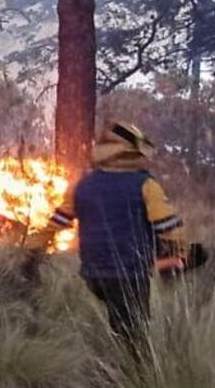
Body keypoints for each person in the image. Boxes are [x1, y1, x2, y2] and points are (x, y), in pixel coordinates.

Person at [30, 121, 187, 358]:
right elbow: (168, 228)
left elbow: (57, 223)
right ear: (135, 153)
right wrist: (177, 258)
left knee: (114, 319)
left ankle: (107, 359)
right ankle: (135, 376)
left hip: (93, 274)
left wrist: (31, 250)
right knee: (134, 332)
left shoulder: (83, 185)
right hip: (131, 274)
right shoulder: (146, 185)